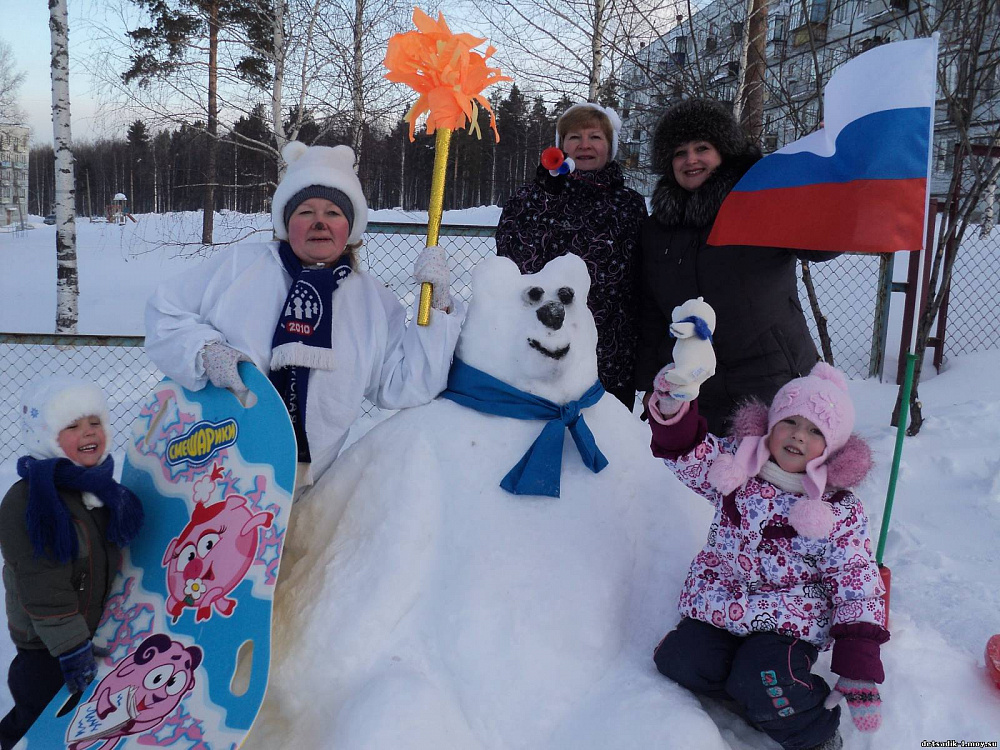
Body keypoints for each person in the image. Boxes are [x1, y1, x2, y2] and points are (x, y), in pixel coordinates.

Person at [145, 141, 464, 493]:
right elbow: (165, 312)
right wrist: (204, 351)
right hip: (209, 467)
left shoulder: (373, 302)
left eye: (334, 213)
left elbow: (406, 384)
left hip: (305, 489)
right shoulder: (240, 268)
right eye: (305, 212)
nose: (320, 223)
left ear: (350, 227)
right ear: (286, 222)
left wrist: (438, 305)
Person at [646, 351, 888, 750]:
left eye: (815, 431)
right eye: (789, 422)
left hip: (787, 622)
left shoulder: (837, 511)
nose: (798, 435)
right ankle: (753, 700)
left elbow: (856, 582)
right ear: (770, 425)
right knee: (679, 659)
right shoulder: (737, 466)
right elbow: (688, 454)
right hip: (722, 605)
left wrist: (858, 663)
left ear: (832, 449)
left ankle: (813, 730)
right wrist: (673, 406)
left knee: (767, 677)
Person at [635, 98, 839, 433]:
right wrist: (649, 381)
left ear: (724, 151)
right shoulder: (657, 230)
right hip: (696, 386)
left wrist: (831, 170)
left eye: (702, 148)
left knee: (770, 467)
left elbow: (823, 245)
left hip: (774, 379)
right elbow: (651, 311)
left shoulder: (761, 203)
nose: (691, 160)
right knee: (704, 466)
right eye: (680, 153)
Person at [0, 376, 144, 749]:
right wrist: (71, 645)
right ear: (46, 437)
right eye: (73, 426)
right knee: (38, 721)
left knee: (81, 720)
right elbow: (42, 585)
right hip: (45, 645)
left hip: (91, 632)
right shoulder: (29, 502)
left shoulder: (100, 491)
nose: (88, 432)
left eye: (95, 422)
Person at [496, 102, 647, 408]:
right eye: (575, 137)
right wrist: (548, 194)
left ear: (610, 147)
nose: (585, 145)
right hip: (541, 345)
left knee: (605, 430)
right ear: (561, 145)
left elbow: (640, 278)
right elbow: (512, 264)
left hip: (610, 351)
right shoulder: (529, 198)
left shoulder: (629, 204)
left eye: (595, 137)